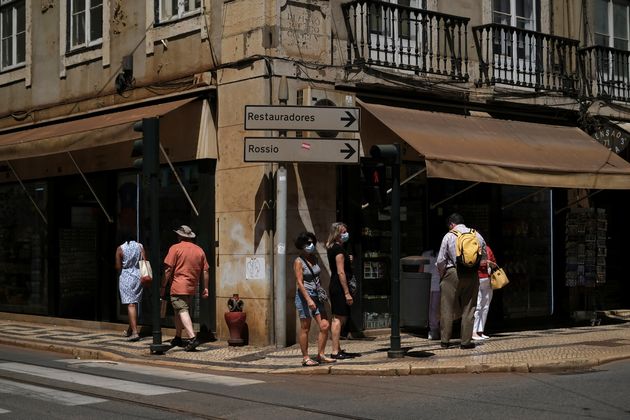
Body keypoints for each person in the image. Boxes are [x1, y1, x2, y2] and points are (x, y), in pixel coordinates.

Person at [436, 213, 486, 350]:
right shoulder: (476, 235)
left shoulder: (449, 235)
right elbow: (484, 256)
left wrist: (442, 274)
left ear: (452, 224)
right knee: (469, 308)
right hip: (472, 275)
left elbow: (441, 260)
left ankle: (445, 341)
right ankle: (465, 342)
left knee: (447, 308)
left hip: (452, 273)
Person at [160, 225, 210, 352]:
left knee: (182, 310)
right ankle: (178, 336)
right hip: (191, 287)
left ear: (180, 236)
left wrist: (163, 285)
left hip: (178, 286)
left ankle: (193, 338)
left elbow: (168, 269)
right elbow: (205, 271)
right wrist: (206, 288)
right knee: (179, 311)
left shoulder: (175, 248)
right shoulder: (199, 250)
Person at [293, 231, 336, 366]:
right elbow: (299, 282)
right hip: (305, 296)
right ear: (302, 245)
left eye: (313, 243)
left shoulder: (315, 258)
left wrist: (320, 291)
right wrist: (309, 299)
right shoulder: (299, 261)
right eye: (308, 243)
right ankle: (306, 358)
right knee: (305, 327)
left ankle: (320, 355)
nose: (311, 245)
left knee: (324, 325)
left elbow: (318, 277)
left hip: (316, 295)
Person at [326, 222, 355, 360]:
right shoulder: (338, 250)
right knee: (338, 318)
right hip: (339, 287)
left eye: (346, 231)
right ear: (337, 234)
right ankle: (334, 351)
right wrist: (347, 293)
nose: (345, 234)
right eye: (343, 232)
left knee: (341, 317)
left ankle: (337, 348)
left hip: (336, 285)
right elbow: (341, 272)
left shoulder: (334, 248)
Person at [115, 232, 145, 342]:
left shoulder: (120, 248)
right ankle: (130, 329)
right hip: (138, 275)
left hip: (126, 276)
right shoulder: (140, 246)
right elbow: (144, 260)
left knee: (130, 304)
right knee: (134, 303)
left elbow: (118, 266)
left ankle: (134, 332)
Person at [473, 244, 497, 341]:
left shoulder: (487, 248)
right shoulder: (472, 248)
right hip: (478, 278)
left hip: (488, 278)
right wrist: (484, 262)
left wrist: (491, 263)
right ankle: (474, 332)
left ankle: (480, 331)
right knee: (478, 305)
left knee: (485, 305)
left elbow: (494, 262)